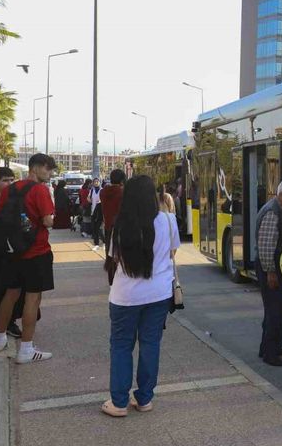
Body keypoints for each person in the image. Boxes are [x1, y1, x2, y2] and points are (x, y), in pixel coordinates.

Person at [100, 175, 180, 417]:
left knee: (121, 346)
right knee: (151, 344)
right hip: (159, 294)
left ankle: (119, 403)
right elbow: (172, 252)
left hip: (125, 296)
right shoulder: (169, 220)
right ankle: (144, 399)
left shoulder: (121, 225)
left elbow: (114, 259)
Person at [0, 154, 57, 364]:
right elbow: (47, 221)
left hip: (13, 252)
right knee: (32, 299)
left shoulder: (9, 189)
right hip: (36, 252)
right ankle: (26, 349)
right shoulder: (40, 190)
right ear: (35, 168)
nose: (50, 173)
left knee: (10, 294)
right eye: (47, 168)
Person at [255, 180, 282, 367]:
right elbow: (266, 246)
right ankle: (270, 353)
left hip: (274, 268)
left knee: (275, 308)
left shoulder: (280, 210)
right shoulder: (273, 212)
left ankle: (268, 347)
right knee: (274, 310)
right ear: (281, 195)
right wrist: (270, 272)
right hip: (271, 269)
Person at [0, 167, 23, 339]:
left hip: (14, 252)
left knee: (13, 289)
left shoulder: (17, 201)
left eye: (11, 180)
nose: (9, 183)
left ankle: (11, 322)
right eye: (5, 180)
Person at [100, 169, 125, 244]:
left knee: (108, 247)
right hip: (120, 227)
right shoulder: (122, 193)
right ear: (122, 180)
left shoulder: (103, 192)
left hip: (107, 225)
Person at [89, 178, 103, 249]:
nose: (96, 183)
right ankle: (96, 244)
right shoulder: (92, 190)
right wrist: (90, 200)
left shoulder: (102, 190)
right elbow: (88, 198)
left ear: (99, 182)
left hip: (100, 212)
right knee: (94, 228)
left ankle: (103, 241)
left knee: (97, 228)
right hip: (93, 211)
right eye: (95, 182)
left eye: (97, 181)